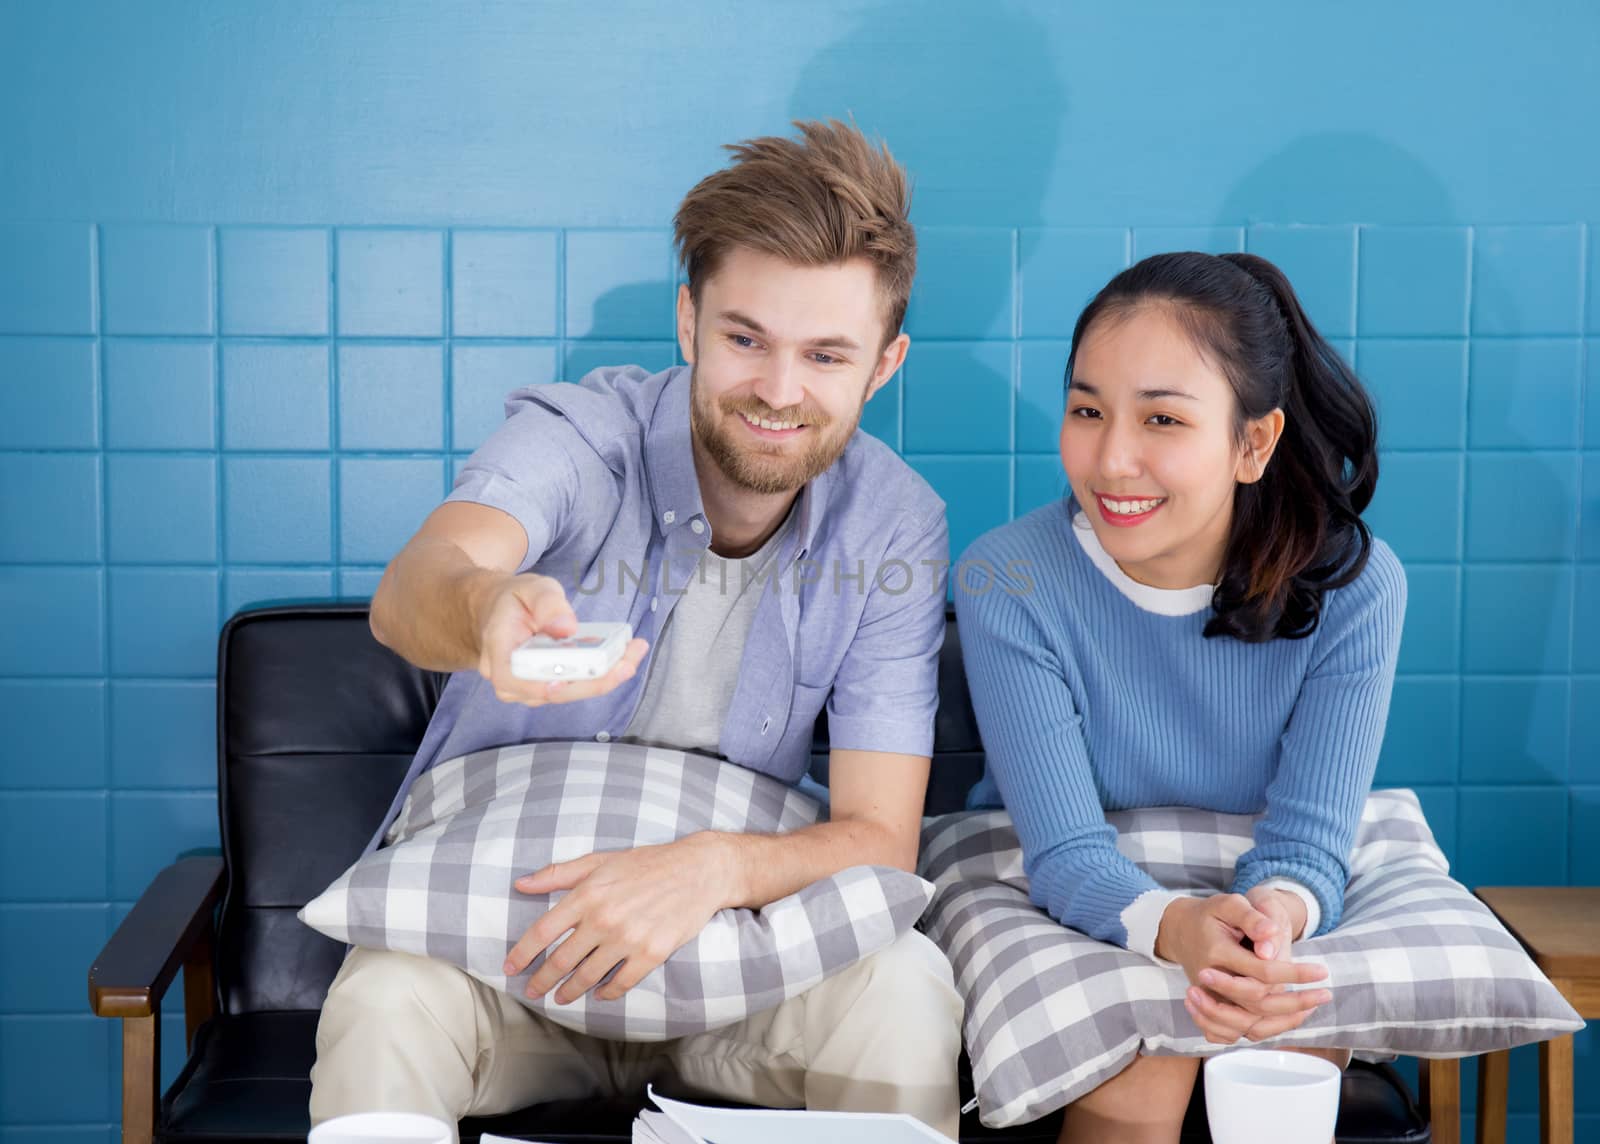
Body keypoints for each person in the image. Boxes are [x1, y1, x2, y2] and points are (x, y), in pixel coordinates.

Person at [309, 120, 963, 1139]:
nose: (779, 392)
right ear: (688, 321)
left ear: (883, 365)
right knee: (385, 994)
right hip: (510, 967)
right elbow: (414, 588)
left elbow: (879, 833)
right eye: (745, 338)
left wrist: (709, 868)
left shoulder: (896, 523)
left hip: (735, 971)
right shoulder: (580, 437)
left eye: (826, 354)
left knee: (904, 984)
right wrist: (482, 607)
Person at [954, 251, 1407, 1143]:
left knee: (1287, 1033)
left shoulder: (1358, 587)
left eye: (1162, 417)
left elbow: (1309, 844)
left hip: (1251, 885)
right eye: (1087, 410)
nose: (1113, 458)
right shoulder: (1006, 578)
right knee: (1146, 1059)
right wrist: (1179, 928)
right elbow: (1068, 852)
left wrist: (1265, 928)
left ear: (1253, 443)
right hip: (1074, 890)